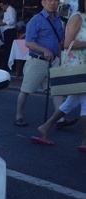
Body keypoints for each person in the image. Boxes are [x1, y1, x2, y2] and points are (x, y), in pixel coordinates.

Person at [32, 0, 86, 151]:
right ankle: (84, 141)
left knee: (72, 102)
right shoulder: (77, 17)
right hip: (77, 66)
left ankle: (45, 127)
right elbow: (68, 43)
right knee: (84, 102)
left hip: (84, 65)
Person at [15, 0, 65, 127]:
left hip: (53, 61)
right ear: (43, 3)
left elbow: (59, 43)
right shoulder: (36, 20)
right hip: (38, 61)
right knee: (26, 89)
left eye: (55, 1)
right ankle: (19, 115)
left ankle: (60, 119)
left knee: (57, 90)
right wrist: (45, 50)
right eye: (49, 1)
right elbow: (29, 42)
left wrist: (61, 60)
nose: (52, 3)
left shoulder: (59, 21)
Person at [0, 0, 17, 70]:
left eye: (2, 5)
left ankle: (8, 66)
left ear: (6, 4)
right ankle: (5, 65)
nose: (2, 7)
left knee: (9, 49)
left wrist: (4, 23)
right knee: (6, 49)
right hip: (6, 30)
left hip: (10, 31)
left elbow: (12, 20)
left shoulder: (11, 10)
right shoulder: (6, 11)